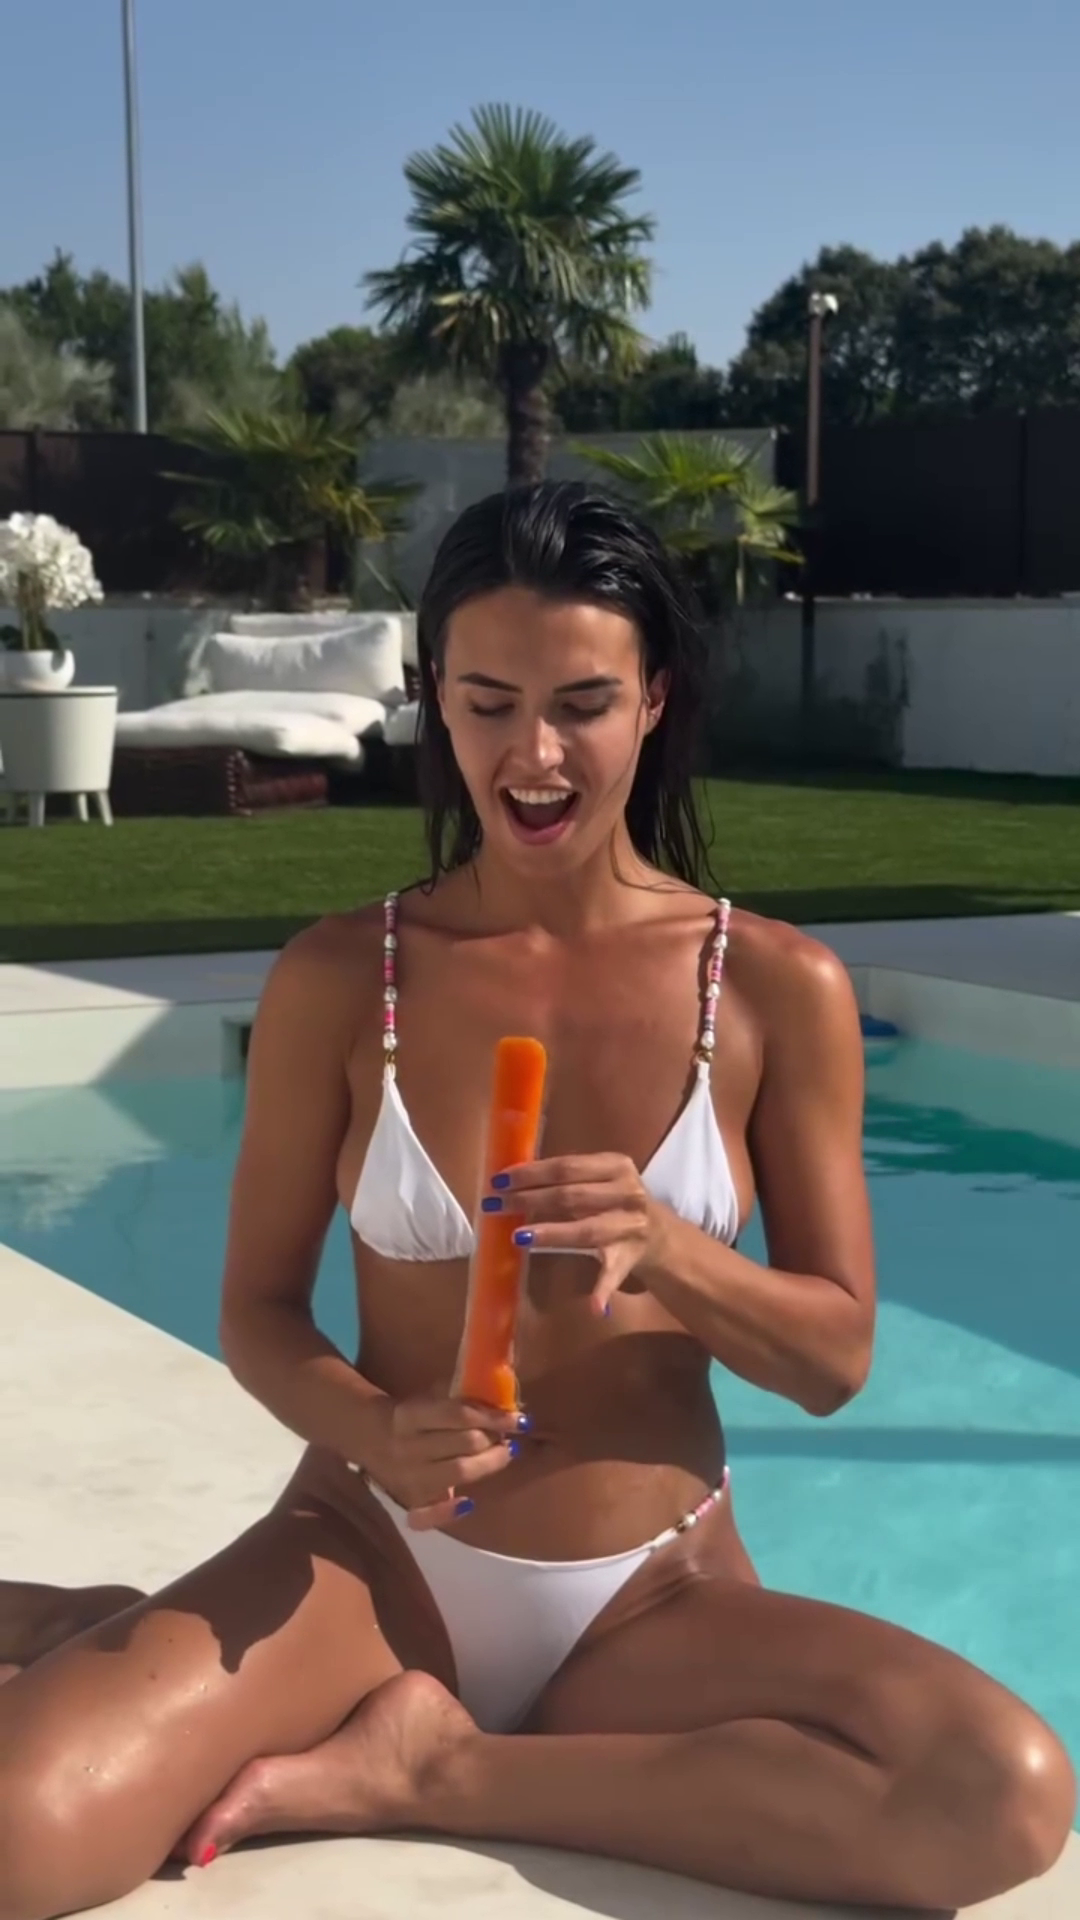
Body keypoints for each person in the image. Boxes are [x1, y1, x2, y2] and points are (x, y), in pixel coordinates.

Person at [0, 483, 1073, 1920]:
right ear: (436, 700)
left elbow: (833, 1358)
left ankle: (437, 1771)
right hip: (372, 1561)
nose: (536, 753)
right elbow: (256, 1312)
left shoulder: (773, 988)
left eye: (583, 703)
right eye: (490, 703)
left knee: (999, 1791)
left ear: (654, 701)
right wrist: (372, 1428)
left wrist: (670, 1250)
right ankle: (111, 1629)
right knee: (18, 1839)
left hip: (653, 1598)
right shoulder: (345, 977)